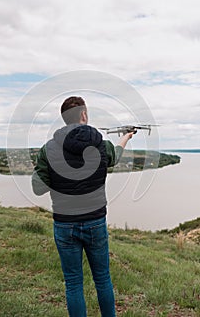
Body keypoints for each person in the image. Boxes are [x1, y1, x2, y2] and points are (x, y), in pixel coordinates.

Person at [32, 96, 134, 317]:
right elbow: (115, 156)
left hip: (64, 224)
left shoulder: (47, 150)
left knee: (73, 283)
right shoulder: (101, 145)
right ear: (84, 115)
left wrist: (44, 168)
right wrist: (125, 138)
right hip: (96, 222)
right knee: (103, 279)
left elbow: (38, 188)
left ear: (64, 119)